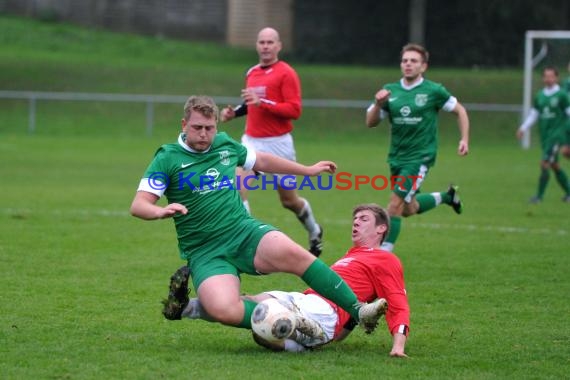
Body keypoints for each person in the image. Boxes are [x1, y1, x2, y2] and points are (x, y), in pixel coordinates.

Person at [130, 95, 386, 333]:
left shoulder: (224, 144)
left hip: (243, 231)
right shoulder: (167, 158)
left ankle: (360, 311)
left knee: (297, 254)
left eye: (210, 128)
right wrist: (160, 210)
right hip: (204, 250)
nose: (204, 134)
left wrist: (306, 170)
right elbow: (139, 204)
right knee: (224, 310)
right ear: (184, 124)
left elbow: (261, 160)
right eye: (197, 127)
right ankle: (291, 322)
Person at [176, 204, 410, 357]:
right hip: (305, 299)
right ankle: (184, 307)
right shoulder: (352, 255)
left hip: (326, 312)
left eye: (364, 219)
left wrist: (398, 347)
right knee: (245, 303)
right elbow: (352, 311)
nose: (356, 222)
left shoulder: (386, 260)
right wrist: (341, 335)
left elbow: (398, 303)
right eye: (355, 218)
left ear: (381, 228)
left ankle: (294, 332)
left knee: (264, 323)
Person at [219, 27, 324, 257]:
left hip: (279, 144)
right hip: (252, 142)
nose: (265, 46)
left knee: (289, 201)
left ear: (278, 46)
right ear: (257, 45)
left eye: (270, 42)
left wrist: (262, 102)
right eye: (262, 42)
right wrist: (233, 113)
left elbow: (294, 110)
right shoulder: (252, 72)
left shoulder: (286, 73)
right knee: (238, 187)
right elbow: (250, 104)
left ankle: (315, 231)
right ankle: (246, 240)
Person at [365, 43, 470, 252]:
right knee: (407, 208)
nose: (408, 64)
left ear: (423, 67)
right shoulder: (390, 91)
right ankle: (447, 196)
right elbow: (370, 122)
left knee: (394, 205)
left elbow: (460, 111)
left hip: (419, 158)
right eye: (405, 60)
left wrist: (464, 139)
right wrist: (378, 105)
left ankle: (383, 256)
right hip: (396, 157)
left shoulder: (433, 90)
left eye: (413, 61)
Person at [516, 66, 570, 203]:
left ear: (556, 78)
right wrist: (523, 128)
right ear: (543, 78)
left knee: (544, 163)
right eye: (546, 76)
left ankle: (539, 197)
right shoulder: (540, 96)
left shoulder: (562, 95)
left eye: (551, 76)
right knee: (554, 165)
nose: (549, 79)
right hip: (545, 136)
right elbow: (534, 115)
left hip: (557, 135)